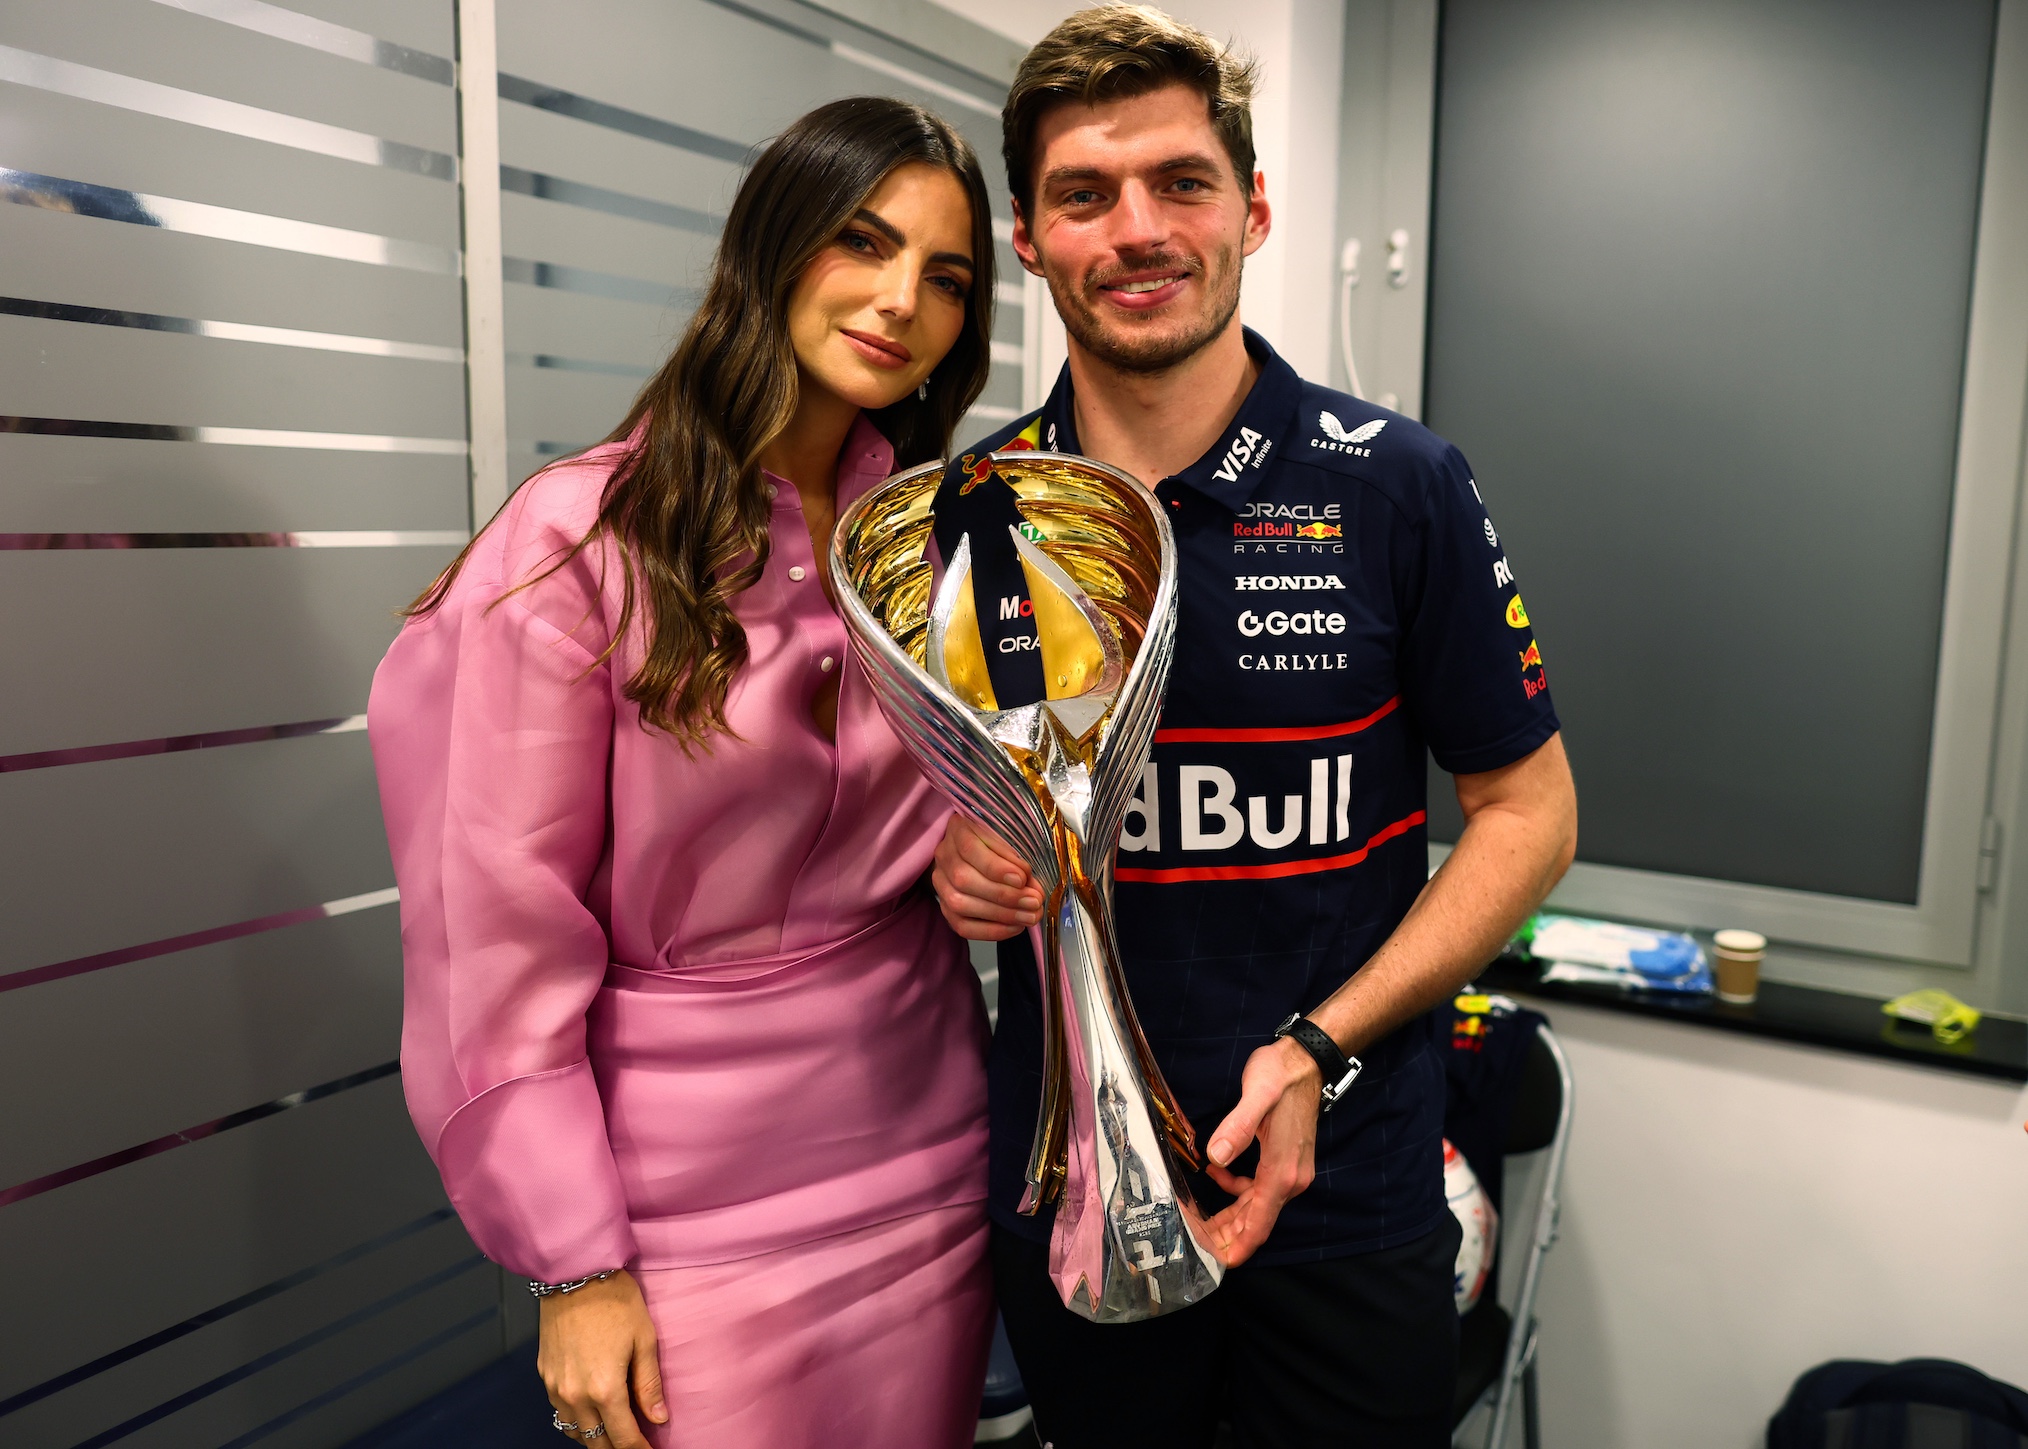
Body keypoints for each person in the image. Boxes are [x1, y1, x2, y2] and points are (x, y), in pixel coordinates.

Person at [929, 9, 1580, 1447]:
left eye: (1181, 182)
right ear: (1031, 239)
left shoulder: (1397, 484)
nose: (1137, 229)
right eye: (1085, 196)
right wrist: (959, 866)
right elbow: (958, 809)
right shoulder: (968, 516)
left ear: (1255, 209)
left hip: (1344, 1190)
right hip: (1076, 1185)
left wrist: (1319, 1048)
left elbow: (1532, 817)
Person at [368, 98, 1000, 1449]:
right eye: (861, 242)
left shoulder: (938, 549)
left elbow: (949, 819)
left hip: (926, 1152)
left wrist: (980, 856)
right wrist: (574, 1262)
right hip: (680, 1209)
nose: (902, 301)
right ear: (772, 247)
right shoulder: (579, 540)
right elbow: (490, 938)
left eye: (946, 278)